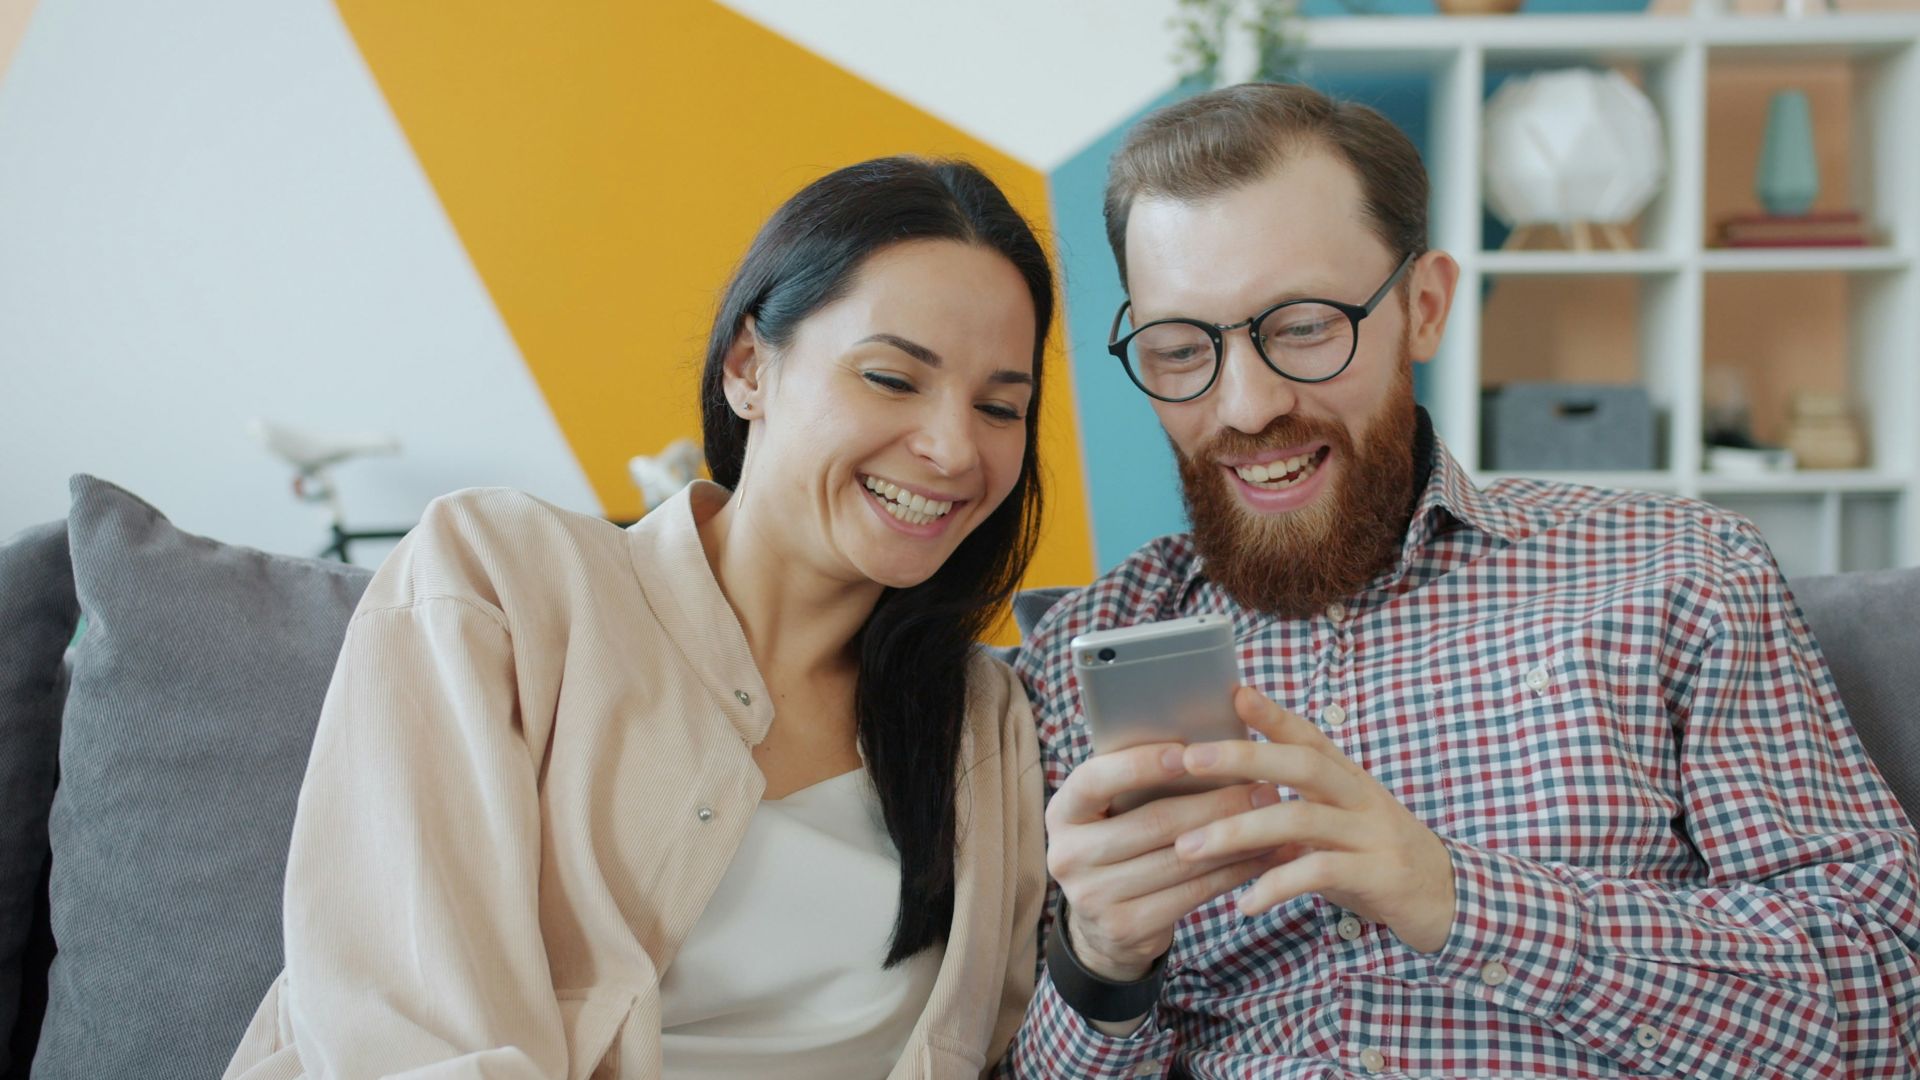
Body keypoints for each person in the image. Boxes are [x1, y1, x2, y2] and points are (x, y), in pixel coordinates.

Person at [998, 83, 1920, 1078]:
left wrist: (1458, 899)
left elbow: (1878, 1002)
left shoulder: (1678, 572)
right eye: (1182, 348)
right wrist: (1103, 969)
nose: (1247, 403)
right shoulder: (1086, 653)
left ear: (1423, 306)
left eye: (1304, 326)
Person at [223, 156, 1053, 1079]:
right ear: (750, 368)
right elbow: (409, 1030)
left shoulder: (989, 726)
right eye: (894, 379)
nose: (953, 448)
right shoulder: (502, 579)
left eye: (998, 406)